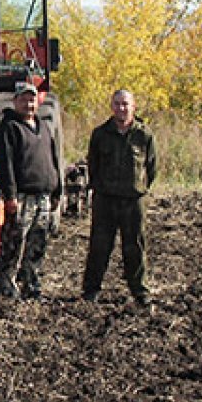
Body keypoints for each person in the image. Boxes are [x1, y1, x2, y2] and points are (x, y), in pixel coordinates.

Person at [82, 89, 158, 306]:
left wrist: (139, 188)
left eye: (125, 104)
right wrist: (99, 188)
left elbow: (151, 168)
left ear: (133, 106)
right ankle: (91, 290)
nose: (121, 108)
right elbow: (93, 166)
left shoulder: (144, 135)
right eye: (117, 104)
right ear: (111, 106)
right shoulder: (100, 134)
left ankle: (139, 291)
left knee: (135, 246)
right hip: (105, 200)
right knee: (99, 246)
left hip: (133, 201)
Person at [0, 81, 62, 299]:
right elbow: (6, 165)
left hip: (43, 195)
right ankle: (7, 285)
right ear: (15, 102)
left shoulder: (43, 126)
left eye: (31, 99)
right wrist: (10, 196)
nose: (28, 104)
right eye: (23, 99)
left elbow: (53, 160)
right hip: (22, 197)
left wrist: (57, 191)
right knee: (15, 242)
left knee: (38, 242)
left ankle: (31, 284)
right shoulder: (8, 128)